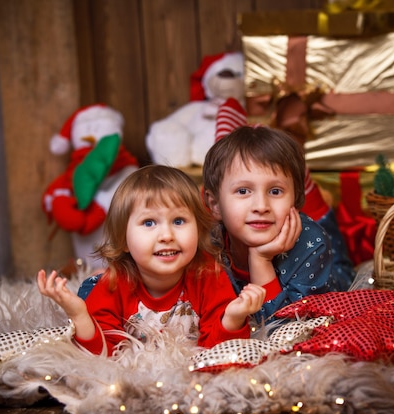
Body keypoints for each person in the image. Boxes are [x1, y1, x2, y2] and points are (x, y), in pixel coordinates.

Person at [38, 165, 266, 356]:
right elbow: (102, 355)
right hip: (110, 283)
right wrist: (79, 315)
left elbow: (218, 351)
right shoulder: (114, 283)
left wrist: (233, 318)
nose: (166, 236)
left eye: (178, 221)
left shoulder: (208, 275)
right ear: (124, 240)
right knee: (91, 291)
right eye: (149, 223)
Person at [202, 125, 354, 324]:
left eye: (275, 191)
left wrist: (260, 259)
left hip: (333, 280)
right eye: (243, 191)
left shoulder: (312, 243)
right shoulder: (206, 245)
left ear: (297, 200)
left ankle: (316, 199)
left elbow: (289, 331)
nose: (261, 206)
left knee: (345, 269)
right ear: (215, 205)